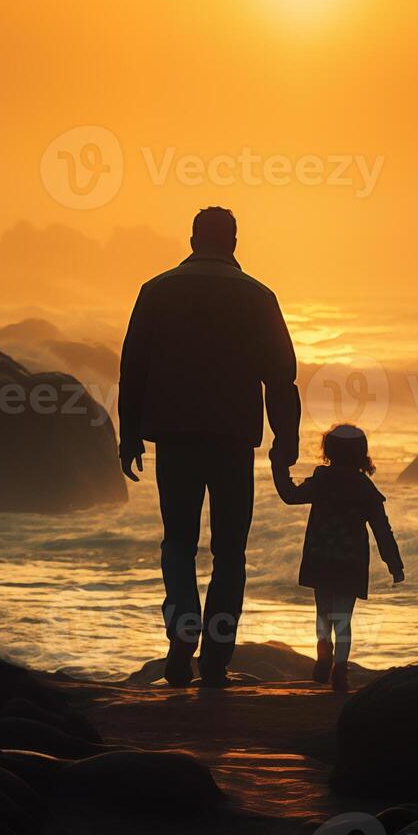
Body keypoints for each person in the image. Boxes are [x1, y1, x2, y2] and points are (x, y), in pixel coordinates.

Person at [118, 208, 301, 688]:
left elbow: (132, 367)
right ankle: (217, 658)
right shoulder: (258, 296)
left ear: (193, 239)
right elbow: (281, 377)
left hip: (175, 437)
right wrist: (286, 438)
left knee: (178, 541)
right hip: (233, 438)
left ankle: (183, 630)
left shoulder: (157, 290)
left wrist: (128, 433)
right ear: (235, 243)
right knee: (230, 550)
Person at [272, 424, 404, 693]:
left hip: (320, 557)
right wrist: (394, 564)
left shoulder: (321, 481)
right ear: (361, 454)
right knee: (343, 617)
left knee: (323, 612)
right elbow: (382, 529)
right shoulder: (365, 488)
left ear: (328, 451)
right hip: (350, 562)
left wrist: (278, 465)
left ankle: (324, 649)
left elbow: (289, 495)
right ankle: (340, 670)